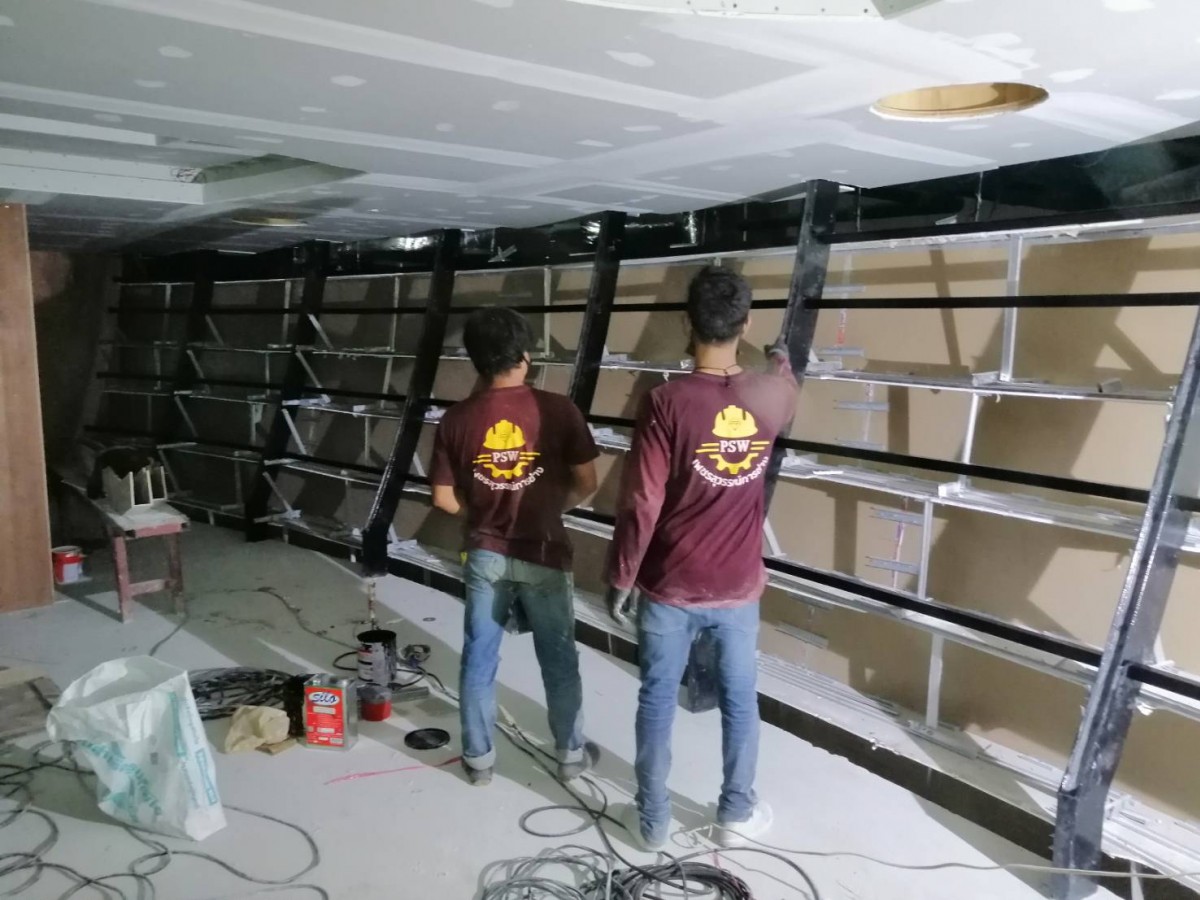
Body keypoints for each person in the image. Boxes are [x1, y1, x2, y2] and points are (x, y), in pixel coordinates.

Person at [605, 266, 796, 850]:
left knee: (657, 699)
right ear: (746, 324)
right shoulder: (774, 394)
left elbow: (643, 500)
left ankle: (653, 822)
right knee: (740, 701)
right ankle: (735, 814)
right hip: (737, 588)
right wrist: (781, 359)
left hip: (670, 585)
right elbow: (786, 381)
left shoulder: (665, 402)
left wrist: (622, 575)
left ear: (686, 323)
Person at [431, 307, 599, 786]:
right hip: (544, 550)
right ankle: (570, 756)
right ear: (525, 355)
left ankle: (479, 761)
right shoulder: (559, 409)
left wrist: (481, 517)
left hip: (486, 553)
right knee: (559, 659)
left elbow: (443, 498)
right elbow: (587, 482)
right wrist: (549, 510)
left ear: (476, 361)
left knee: (479, 657)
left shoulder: (456, 419)